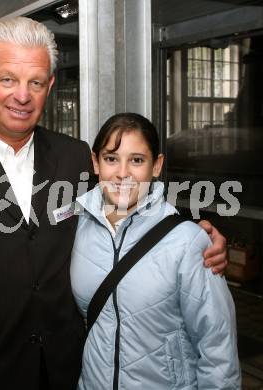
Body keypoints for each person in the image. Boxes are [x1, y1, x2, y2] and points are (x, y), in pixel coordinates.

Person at [0, 16, 227, 390]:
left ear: (49, 86)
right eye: (8, 79)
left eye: (35, 82)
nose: (22, 95)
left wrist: (193, 233)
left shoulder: (72, 158)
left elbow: (125, 209)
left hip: (65, 371)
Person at [70, 113, 241, 389]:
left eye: (136, 160)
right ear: (95, 162)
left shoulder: (186, 241)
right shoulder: (75, 228)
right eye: (111, 158)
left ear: (157, 165)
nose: (122, 172)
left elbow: (217, 347)